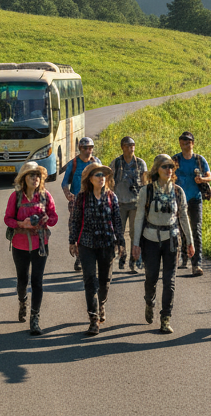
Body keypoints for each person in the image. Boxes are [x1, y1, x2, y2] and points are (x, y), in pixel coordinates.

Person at [131, 154, 194, 334]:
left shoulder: (177, 191)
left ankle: (165, 318)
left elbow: (183, 217)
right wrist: (136, 244)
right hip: (150, 239)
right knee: (151, 278)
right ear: (156, 169)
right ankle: (149, 301)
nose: (169, 170)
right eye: (165, 167)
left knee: (169, 281)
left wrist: (190, 242)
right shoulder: (147, 191)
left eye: (171, 167)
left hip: (171, 239)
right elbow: (139, 218)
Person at [68, 162, 124, 336]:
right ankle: (93, 319)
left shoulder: (111, 197)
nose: (101, 178)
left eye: (103, 175)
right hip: (87, 244)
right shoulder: (82, 198)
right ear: (89, 179)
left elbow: (117, 221)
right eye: (97, 175)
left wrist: (121, 242)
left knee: (105, 281)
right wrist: (72, 241)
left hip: (107, 243)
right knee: (90, 281)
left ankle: (101, 305)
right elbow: (75, 220)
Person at [4, 161, 59, 335]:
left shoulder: (45, 196)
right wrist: (21, 224)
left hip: (40, 244)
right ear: (24, 178)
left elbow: (54, 217)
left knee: (37, 281)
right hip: (19, 244)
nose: (35, 178)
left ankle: (34, 319)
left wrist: (45, 220)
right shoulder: (16, 197)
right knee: (22, 280)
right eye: (31, 175)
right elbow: (7, 219)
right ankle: (22, 301)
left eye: (37, 175)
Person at [173, 131, 211, 276]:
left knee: (196, 230)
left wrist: (202, 179)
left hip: (195, 198)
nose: (186, 144)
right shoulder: (175, 160)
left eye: (188, 142)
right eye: (183, 142)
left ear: (193, 143)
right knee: (182, 229)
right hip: (178, 199)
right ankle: (184, 257)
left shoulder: (199, 160)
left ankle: (197, 264)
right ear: (180, 144)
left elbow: (210, 176)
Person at [62, 136, 102, 272]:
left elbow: (103, 180)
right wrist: (68, 194)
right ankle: (79, 258)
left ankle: (92, 256)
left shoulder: (96, 162)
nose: (88, 150)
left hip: (94, 202)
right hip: (76, 203)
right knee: (77, 230)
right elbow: (64, 183)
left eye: (90, 147)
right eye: (85, 148)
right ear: (80, 149)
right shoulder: (73, 164)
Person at [112, 136, 148, 273]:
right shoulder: (116, 163)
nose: (131, 147)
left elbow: (145, 183)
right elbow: (109, 181)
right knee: (119, 233)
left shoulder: (140, 163)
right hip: (119, 203)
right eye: (127, 145)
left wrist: (146, 201)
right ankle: (122, 255)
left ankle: (134, 260)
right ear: (122, 147)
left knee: (135, 232)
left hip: (135, 203)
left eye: (133, 144)